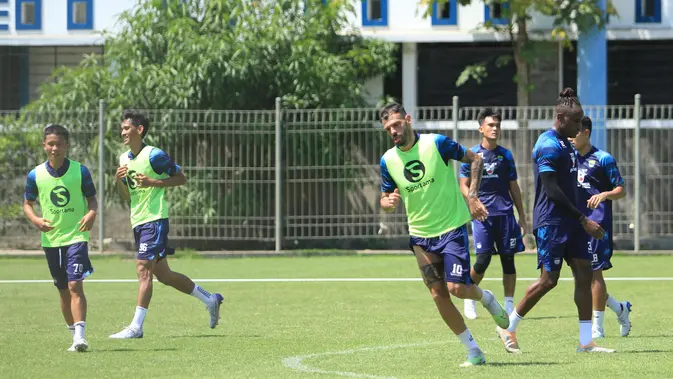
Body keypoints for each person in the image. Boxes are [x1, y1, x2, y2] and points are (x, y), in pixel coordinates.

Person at [379, 102, 509, 367]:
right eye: (388, 128)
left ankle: (487, 298)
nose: (393, 131)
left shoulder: (436, 143)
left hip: (451, 228)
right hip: (420, 237)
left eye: (396, 124)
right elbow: (385, 195)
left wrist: (472, 196)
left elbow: (476, 159)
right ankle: (473, 351)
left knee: (458, 288)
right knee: (439, 295)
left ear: (408, 119)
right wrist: (387, 202)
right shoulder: (388, 160)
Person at [495, 88, 615, 354]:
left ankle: (586, 341)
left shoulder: (568, 144)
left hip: (572, 223)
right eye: (576, 121)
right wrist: (584, 219)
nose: (580, 125)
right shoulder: (547, 144)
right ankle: (508, 326)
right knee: (549, 280)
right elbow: (551, 190)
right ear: (560, 118)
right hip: (552, 222)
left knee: (584, 275)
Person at [110, 110, 223, 339]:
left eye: (126, 128)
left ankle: (136, 327)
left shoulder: (154, 155)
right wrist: (119, 180)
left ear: (139, 130)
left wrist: (153, 181)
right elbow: (127, 196)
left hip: (155, 219)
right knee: (165, 275)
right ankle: (210, 299)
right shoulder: (123, 159)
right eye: (121, 128)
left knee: (143, 269)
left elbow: (181, 178)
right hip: (138, 221)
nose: (122, 132)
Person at [23, 124, 97, 352]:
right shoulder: (35, 174)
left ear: (67, 145)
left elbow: (92, 199)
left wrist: (91, 214)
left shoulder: (80, 171)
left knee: (75, 285)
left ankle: (81, 337)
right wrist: (36, 220)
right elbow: (27, 203)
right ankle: (74, 336)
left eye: (59, 144)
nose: (55, 148)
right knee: (63, 289)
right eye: (51, 144)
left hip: (76, 236)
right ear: (44, 145)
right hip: (51, 240)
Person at [460, 108, 526, 320]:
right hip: (482, 215)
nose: (495, 128)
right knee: (482, 260)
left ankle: (508, 304)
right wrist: (473, 200)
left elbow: (514, 187)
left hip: (505, 214)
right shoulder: (471, 155)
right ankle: (470, 298)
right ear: (481, 128)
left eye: (497, 125)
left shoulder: (505, 155)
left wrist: (522, 216)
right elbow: (464, 184)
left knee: (508, 260)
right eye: (491, 125)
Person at [570, 116, 631, 339]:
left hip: (597, 224)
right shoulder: (569, 158)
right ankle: (620, 309)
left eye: (575, 132)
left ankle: (597, 328)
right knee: (581, 278)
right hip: (576, 223)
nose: (571, 137)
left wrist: (604, 194)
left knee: (595, 274)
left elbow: (621, 189)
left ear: (586, 132)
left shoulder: (603, 159)